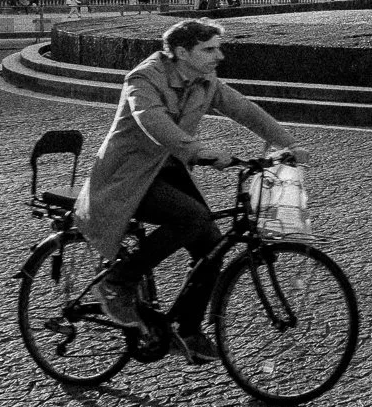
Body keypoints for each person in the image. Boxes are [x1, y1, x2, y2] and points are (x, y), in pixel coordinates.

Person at [75, 18, 301, 364]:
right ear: (181, 52)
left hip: (167, 170)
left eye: (218, 48)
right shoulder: (143, 78)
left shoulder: (205, 81)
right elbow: (151, 121)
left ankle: (189, 330)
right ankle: (118, 281)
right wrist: (198, 151)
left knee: (212, 244)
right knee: (193, 218)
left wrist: (287, 143)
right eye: (209, 49)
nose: (219, 56)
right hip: (128, 176)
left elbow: (243, 109)